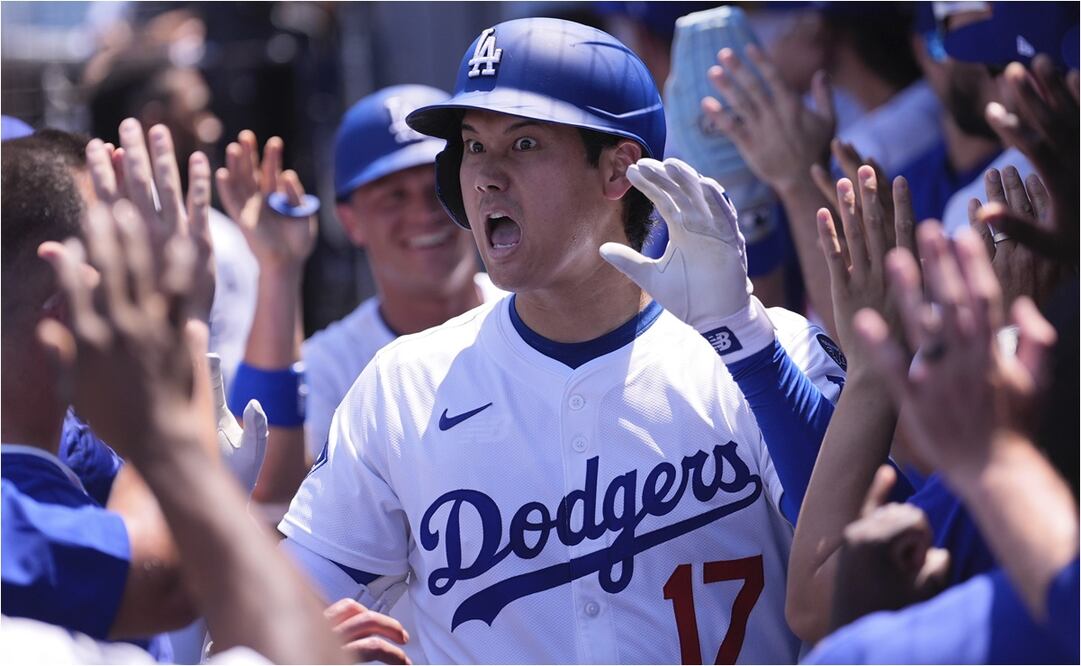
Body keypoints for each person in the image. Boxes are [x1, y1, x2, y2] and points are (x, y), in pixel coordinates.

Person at [278, 18, 841, 663]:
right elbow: (274, 618)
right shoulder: (403, 385)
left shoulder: (760, 354)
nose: (484, 175)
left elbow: (874, 566)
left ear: (618, 171)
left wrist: (749, 346)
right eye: (471, 145)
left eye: (522, 145)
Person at [220, 86, 505, 522]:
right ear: (350, 220)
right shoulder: (329, 365)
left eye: (437, 187)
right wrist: (278, 269)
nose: (424, 212)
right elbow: (264, 492)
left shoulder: (535, 310)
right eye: (394, 195)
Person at [0, 122, 210, 661]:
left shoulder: (71, 459)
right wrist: (178, 321)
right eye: (120, 262)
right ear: (69, 303)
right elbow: (173, 575)